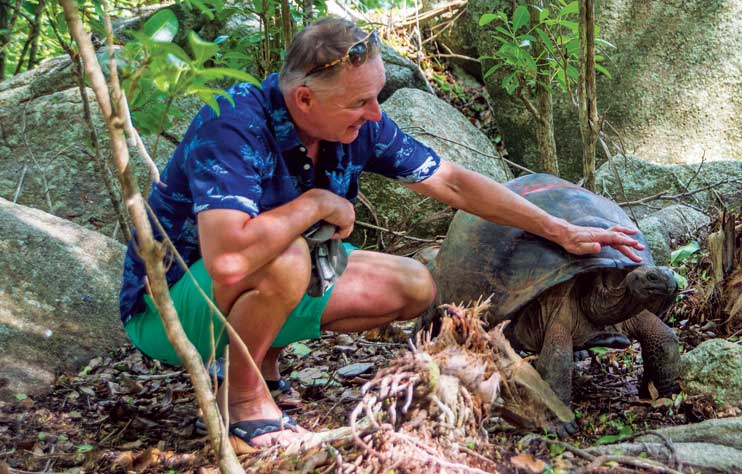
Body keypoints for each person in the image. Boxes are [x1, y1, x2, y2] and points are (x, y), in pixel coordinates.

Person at [118, 16, 645, 449]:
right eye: (360, 103)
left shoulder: (355, 126)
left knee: (415, 283)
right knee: (287, 259)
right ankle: (244, 402)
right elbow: (229, 258)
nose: (375, 114)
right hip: (169, 308)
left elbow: (455, 184)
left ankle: (262, 362)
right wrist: (316, 202)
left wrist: (559, 228)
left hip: (249, 287)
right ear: (304, 100)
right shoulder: (232, 124)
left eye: (376, 98)